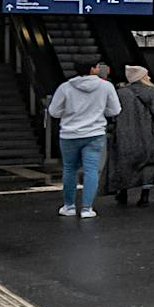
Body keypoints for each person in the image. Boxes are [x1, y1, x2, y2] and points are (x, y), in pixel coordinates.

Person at [47, 61, 120, 219]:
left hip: (69, 134)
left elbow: (54, 111)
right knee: (91, 170)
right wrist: (100, 111)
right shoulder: (106, 86)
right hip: (95, 134)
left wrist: (69, 113)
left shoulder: (65, 87)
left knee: (69, 169)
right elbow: (115, 110)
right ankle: (87, 208)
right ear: (93, 69)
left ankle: (69, 206)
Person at [104, 64, 154, 208]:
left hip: (124, 135)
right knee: (149, 164)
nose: (149, 77)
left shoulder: (120, 93)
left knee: (123, 164)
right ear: (141, 77)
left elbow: (112, 114)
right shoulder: (152, 92)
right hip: (148, 135)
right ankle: (144, 196)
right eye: (146, 75)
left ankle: (122, 192)